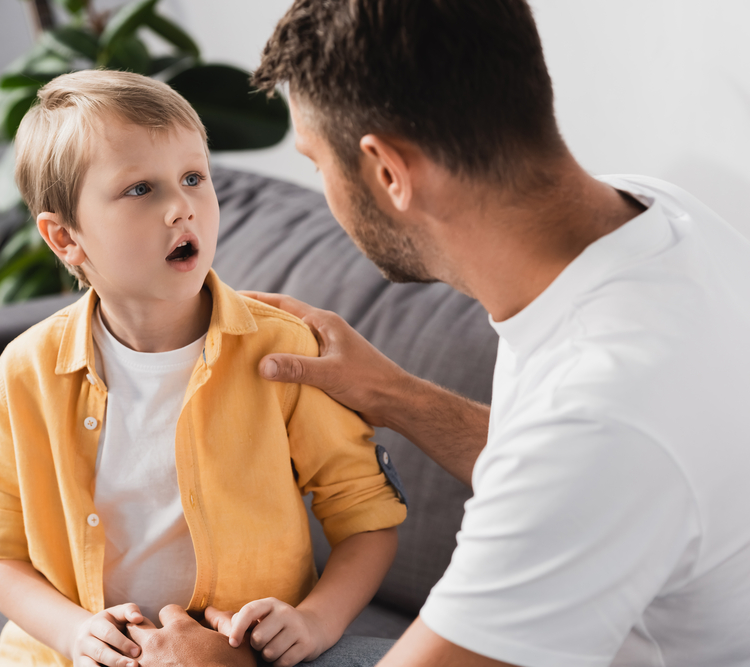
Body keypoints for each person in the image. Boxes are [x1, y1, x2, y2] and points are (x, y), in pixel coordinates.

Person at [130, 1, 750, 666]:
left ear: (387, 172)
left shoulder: (600, 416)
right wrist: (392, 393)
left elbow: (589, 451)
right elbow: (592, 472)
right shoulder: (657, 220)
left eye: (316, 162)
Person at [0, 69, 408, 667]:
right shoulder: (23, 374)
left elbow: (366, 520)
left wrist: (315, 622)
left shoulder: (285, 353)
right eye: (141, 189)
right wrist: (73, 634)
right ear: (65, 239)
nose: (182, 208)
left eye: (194, 178)